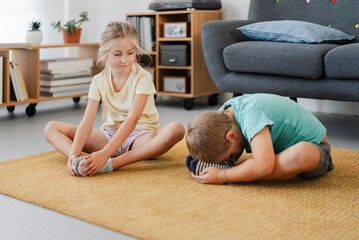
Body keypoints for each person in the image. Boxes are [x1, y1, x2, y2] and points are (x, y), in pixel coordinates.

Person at [44, 21, 185, 176]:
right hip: (109, 135)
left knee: (177, 129)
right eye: (117, 54)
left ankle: (113, 163)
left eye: (130, 53)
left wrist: (105, 154)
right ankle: (83, 161)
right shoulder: (99, 80)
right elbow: (87, 122)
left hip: (140, 138)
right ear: (105, 54)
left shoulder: (143, 77)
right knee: (51, 128)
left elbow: (132, 119)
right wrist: (73, 154)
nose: (124, 60)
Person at [185, 93, 333, 184]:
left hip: (318, 150)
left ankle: (245, 174)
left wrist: (224, 175)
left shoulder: (251, 116)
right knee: (261, 162)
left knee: (301, 153)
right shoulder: (223, 116)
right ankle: (246, 171)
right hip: (276, 151)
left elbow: (265, 166)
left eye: (231, 156)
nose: (231, 160)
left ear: (232, 136)